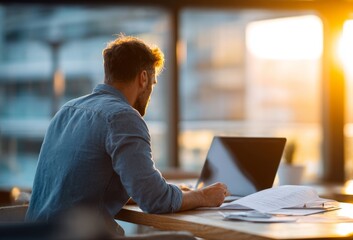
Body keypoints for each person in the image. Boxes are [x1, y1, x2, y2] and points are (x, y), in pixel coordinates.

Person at [26, 34, 229, 235]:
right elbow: (154, 199)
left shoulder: (67, 110)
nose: (151, 90)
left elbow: (78, 188)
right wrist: (203, 196)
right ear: (143, 78)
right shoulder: (122, 117)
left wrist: (179, 194)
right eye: (153, 82)